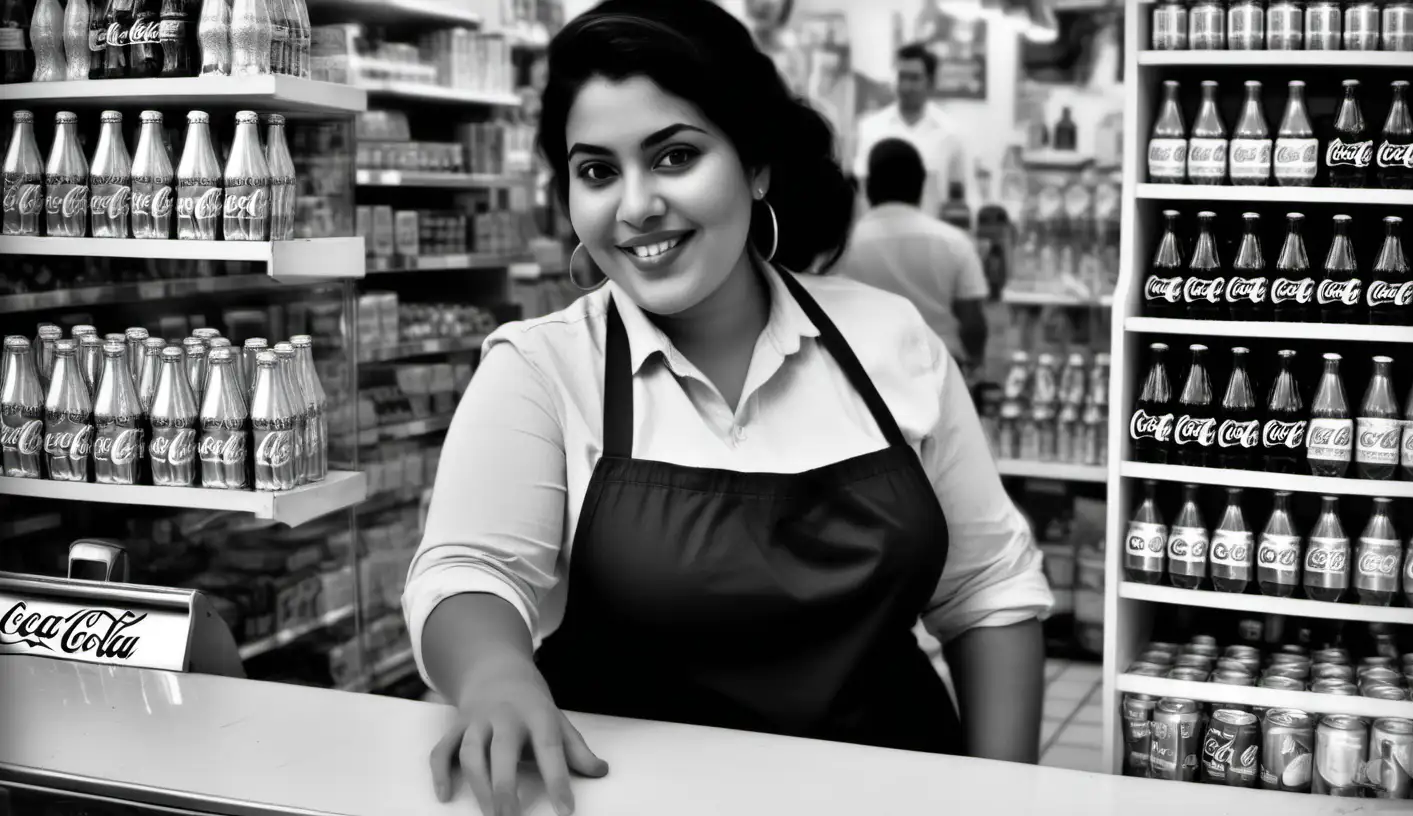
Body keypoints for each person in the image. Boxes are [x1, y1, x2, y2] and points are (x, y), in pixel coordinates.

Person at [404, 2, 1052, 815]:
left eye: (674, 156)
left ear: (755, 164)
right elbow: (468, 571)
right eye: (598, 171)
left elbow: (988, 591)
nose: (635, 206)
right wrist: (496, 672)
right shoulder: (542, 368)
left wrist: (1001, 796)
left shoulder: (889, 340)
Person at [836, 137, 988, 375]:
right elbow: (972, 322)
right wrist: (975, 364)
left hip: (866, 375)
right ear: (921, 184)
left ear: (870, 186)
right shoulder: (954, 243)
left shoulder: (844, 246)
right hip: (940, 374)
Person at [852, 43, 969, 222]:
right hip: (880, 236)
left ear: (930, 82)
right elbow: (860, 192)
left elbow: (960, 200)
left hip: (932, 239)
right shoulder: (871, 129)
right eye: (901, 77)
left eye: (914, 78)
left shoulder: (950, 134)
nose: (906, 86)